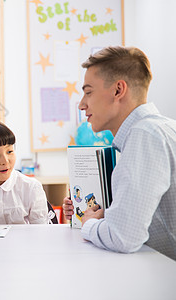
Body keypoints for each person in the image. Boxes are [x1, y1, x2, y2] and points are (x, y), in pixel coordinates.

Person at [63, 46, 176, 260]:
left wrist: (89, 224)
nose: (81, 104)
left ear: (118, 90)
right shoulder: (159, 129)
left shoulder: (145, 136)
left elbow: (122, 237)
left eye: (88, 92)